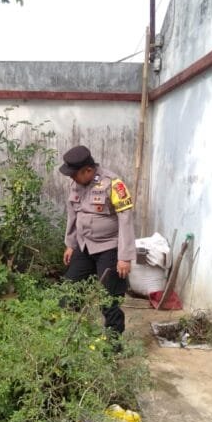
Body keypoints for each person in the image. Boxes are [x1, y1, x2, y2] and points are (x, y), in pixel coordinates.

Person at [59, 145, 136, 344]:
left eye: (74, 174)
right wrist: (70, 244)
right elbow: (73, 215)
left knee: (108, 300)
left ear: (88, 170)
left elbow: (125, 219)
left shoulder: (113, 183)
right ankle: (69, 341)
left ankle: (112, 348)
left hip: (109, 248)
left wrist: (124, 257)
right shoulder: (76, 184)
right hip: (84, 246)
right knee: (69, 292)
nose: (71, 179)